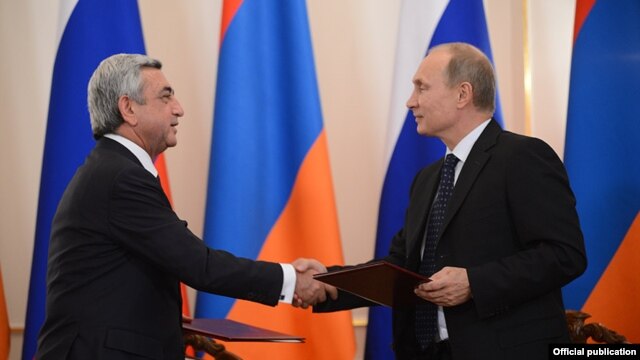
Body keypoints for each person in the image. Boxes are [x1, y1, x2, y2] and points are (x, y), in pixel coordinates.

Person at [36, 54, 334, 359]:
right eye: (166, 97)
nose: (179, 108)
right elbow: (198, 264)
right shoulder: (120, 177)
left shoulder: (111, 169)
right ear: (128, 108)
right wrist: (291, 281)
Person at [301, 42, 587, 359]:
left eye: (421, 88)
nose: (411, 102)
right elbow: (398, 269)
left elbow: (564, 254)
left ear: (463, 94)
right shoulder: (427, 178)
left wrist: (475, 283)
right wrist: (326, 281)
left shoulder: (522, 157)